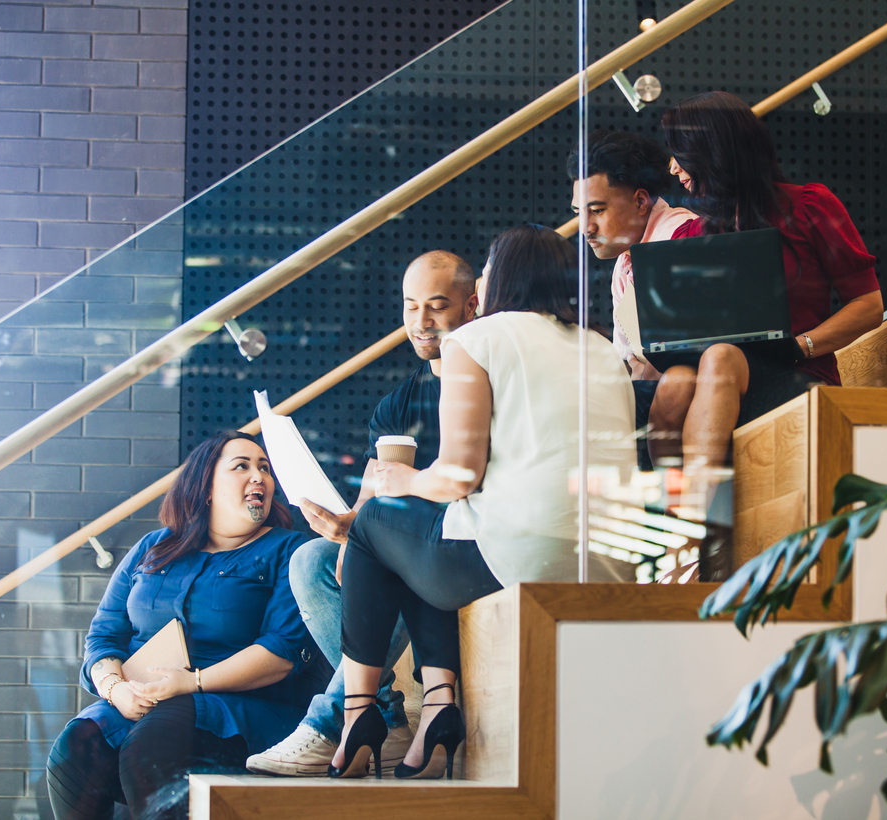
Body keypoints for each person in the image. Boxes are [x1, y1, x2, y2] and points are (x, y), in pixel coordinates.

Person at [327, 224, 635, 780]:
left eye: (488, 269)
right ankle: (438, 708)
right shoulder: (603, 347)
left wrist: (399, 481)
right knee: (435, 533)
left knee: (377, 525)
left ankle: (359, 714)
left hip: (524, 555)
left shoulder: (475, 339)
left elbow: (459, 476)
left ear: (501, 278)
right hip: (610, 561)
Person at [244, 250, 479, 776]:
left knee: (394, 558)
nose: (420, 322)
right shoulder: (397, 405)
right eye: (410, 306)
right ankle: (388, 714)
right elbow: (369, 507)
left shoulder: (480, 384)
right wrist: (345, 527)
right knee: (310, 560)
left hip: (464, 545)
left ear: (473, 305)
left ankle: (335, 720)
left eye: (437, 306)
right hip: (407, 546)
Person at [47, 432, 323, 820]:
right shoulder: (152, 547)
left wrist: (191, 683)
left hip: (243, 711)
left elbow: (282, 651)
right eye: (241, 466)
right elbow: (104, 637)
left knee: (155, 739)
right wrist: (115, 689)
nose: (259, 476)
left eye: (264, 468)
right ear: (206, 486)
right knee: (78, 744)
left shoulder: (289, 550)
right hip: (144, 701)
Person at [652, 90, 883, 471]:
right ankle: (669, 514)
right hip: (718, 380)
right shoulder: (689, 236)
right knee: (676, 380)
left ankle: (693, 524)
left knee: (721, 355)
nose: (674, 169)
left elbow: (868, 305)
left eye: (681, 155)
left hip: (799, 373)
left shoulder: (810, 206)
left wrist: (800, 346)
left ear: (714, 152)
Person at [567, 131, 696, 471]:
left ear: (641, 201)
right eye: (579, 212)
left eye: (596, 210)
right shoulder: (625, 262)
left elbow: (671, 349)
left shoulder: (681, 235)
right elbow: (630, 358)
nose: (586, 228)